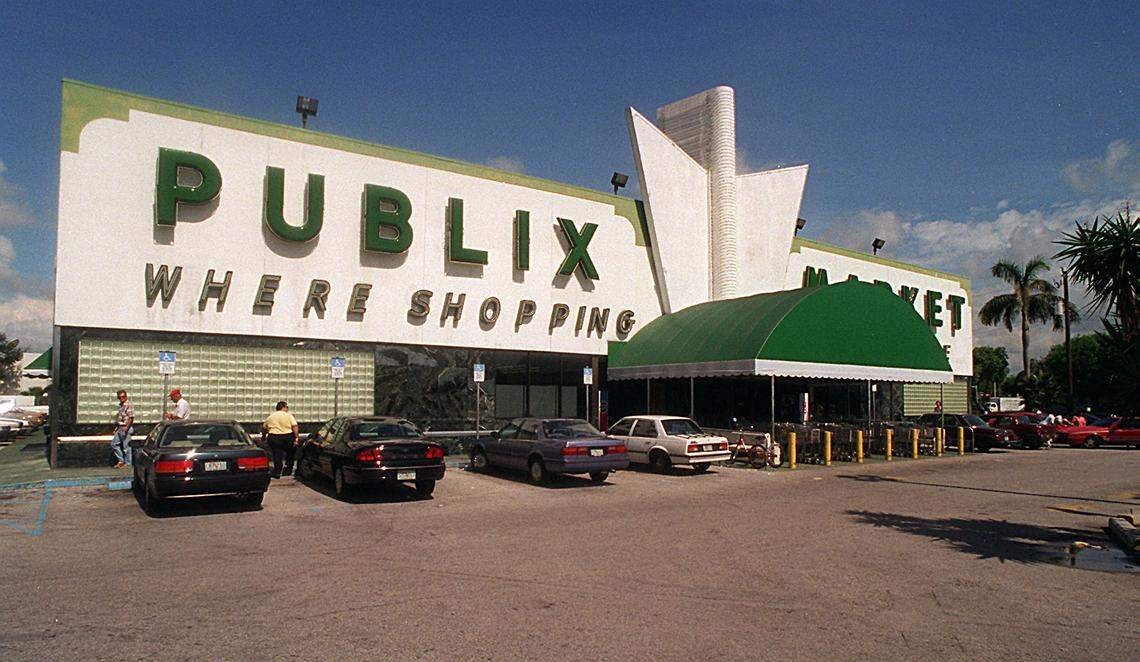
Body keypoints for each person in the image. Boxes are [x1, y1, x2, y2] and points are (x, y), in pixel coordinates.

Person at [261, 401, 299, 479]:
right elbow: (294, 426)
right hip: (288, 436)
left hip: (274, 437)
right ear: (283, 407)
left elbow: (264, 428)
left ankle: (277, 471)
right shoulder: (289, 415)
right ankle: (288, 470)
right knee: (290, 453)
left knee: (277, 454)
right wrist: (296, 438)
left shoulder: (271, 416)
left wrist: (264, 436)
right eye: (287, 407)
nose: (287, 409)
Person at [111, 390, 134, 468]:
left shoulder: (128, 405)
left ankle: (128, 464)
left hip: (125, 427)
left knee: (126, 447)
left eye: (123, 397)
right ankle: (121, 461)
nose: (122, 398)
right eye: (120, 397)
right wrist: (116, 428)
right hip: (120, 427)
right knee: (114, 444)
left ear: (126, 396)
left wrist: (127, 427)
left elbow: (131, 417)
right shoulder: (121, 405)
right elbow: (120, 418)